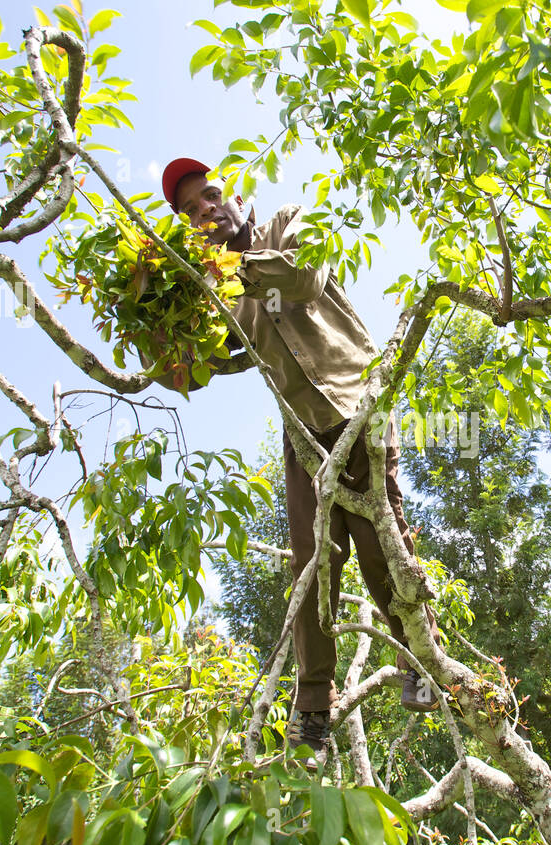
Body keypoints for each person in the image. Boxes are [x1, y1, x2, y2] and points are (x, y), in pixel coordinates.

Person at [154, 157, 442, 765]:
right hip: (301, 431)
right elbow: (194, 370)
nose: (205, 210)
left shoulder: (285, 223)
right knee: (312, 564)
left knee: (378, 536)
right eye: (190, 211)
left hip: (357, 401)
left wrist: (229, 273)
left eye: (209, 196)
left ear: (229, 194)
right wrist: (158, 315)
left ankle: (418, 655)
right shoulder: (213, 291)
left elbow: (307, 276)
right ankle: (313, 708)